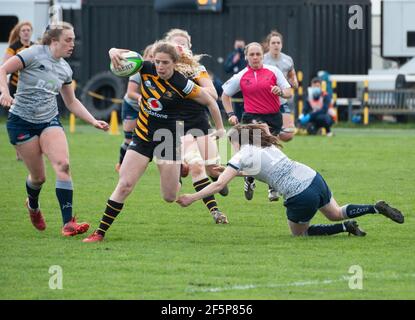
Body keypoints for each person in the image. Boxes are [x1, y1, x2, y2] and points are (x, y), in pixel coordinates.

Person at [83, 41, 225, 242]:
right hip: (143, 136)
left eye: (165, 63)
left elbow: (210, 101)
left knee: (169, 196)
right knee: (125, 184)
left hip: (167, 141)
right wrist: (112, 50)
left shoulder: (182, 84)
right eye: (157, 62)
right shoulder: (145, 67)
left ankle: (177, 174)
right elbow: (120, 53)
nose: (160, 66)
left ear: (174, 64)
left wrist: (219, 128)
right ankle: (100, 232)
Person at [177, 123, 405, 237]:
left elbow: (218, 184)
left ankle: (345, 228)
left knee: (300, 233)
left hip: (298, 193)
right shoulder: (265, 145)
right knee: (336, 212)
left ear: (238, 140)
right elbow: (264, 171)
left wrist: (192, 197)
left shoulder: (242, 154)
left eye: (231, 142)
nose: (231, 147)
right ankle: (374, 208)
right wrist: (233, 171)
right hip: (313, 177)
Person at [0, 22, 109, 236]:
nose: (72, 44)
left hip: (49, 121)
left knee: (64, 165)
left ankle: (68, 223)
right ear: (54, 41)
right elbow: (3, 69)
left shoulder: (65, 68)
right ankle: (33, 205)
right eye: (68, 40)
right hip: (21, 121)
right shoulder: (32, 54)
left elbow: (71, 102)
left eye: (73, 39)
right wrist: (4, 92)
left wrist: (93, 120)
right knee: (39, 178)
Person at [164, 28, 229, 224]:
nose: (180, 47)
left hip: (199, 122)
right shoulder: (163, 69)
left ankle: (219, 181)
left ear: (189, 48)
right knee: (196, 166)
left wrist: (187, 88)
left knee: (213, 169)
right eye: (176, 44)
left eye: (183, 44)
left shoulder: (196, 69)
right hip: (177, 124)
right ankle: (215, 212)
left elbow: (213, 94)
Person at [221, 42, 292, 202]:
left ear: (262, 55)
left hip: (273, 117)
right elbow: (225, 95)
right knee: (253, 152)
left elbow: (288, 92)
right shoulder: (241, 76)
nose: (255, 57)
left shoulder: (273, 71)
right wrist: (231, 114)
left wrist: (280, 91)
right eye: (251, 54)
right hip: (250, 117)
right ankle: (256, 181)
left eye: (258, 54)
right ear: (246, 56)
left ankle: (257, 181)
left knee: (269, 151)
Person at [115, 44, 154, 172]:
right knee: (129, 138)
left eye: (155, 56)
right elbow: (130, 93)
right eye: (150, 56)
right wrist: (141, 98)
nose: (152, 59)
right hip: (132, 106)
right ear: (144, 57)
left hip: (149, 108)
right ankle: (121, 164)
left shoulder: (160, 72)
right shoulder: (138, 71)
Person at [2, 21, 34, 161]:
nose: (26, 32)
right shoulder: (13, 48)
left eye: (28, 30)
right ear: (19, 33)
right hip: (15, 87)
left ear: (31, 32)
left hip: (31, 89)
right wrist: (5, 91)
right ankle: (19, 151)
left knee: (32, 119)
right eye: (23, 30)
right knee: (16, 120)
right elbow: (4, 67)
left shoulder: (35, 46)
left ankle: (31, 150)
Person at [263, 30, 298, 142]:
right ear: (268, 45)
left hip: (281, 101)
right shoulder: (262, 59)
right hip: (265, 102)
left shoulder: (287, 60)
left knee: (288, 134)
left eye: (278, 43)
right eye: (273, 43)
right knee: (268, 137)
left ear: (282, 44)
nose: (276, 45)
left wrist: (294, 81)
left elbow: (292, 75)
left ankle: (275, 136)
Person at [223, 38, 246, 122]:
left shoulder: (247, 56)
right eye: (238, 46)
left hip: (246, 84)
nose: (239, 48)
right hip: (235, 85)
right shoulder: (232, 56)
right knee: (236, 106)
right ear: (235, 46)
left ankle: (247, 124)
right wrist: (234, 61)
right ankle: (236, 122)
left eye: (241, 46)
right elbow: (226, 69)